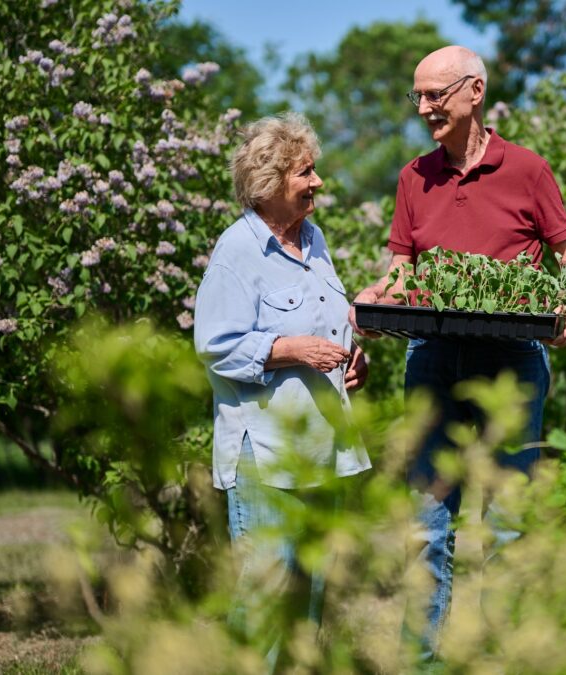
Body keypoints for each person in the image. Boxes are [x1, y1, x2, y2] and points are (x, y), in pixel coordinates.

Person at [349, 46, 566, 657]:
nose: (425, 107)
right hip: (431, 358)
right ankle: (424, 663)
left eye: (436, 94)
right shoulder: (414, 177)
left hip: (512, 363)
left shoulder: (528, 171)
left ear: (474, 91)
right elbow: (402, 272)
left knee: (508, 524)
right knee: (426, 526)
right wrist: (375, 299)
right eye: (419, 97)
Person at [193, 112, 371, 671]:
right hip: (266, 453)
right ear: (270, 185)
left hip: (321, 445)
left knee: (307, 600)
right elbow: (215, 344)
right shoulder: (237, 252)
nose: (318, 182)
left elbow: (327, 326)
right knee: (266, 596)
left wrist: (350, 359)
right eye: (306, 173)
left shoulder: (313, 240)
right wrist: (289, 349)